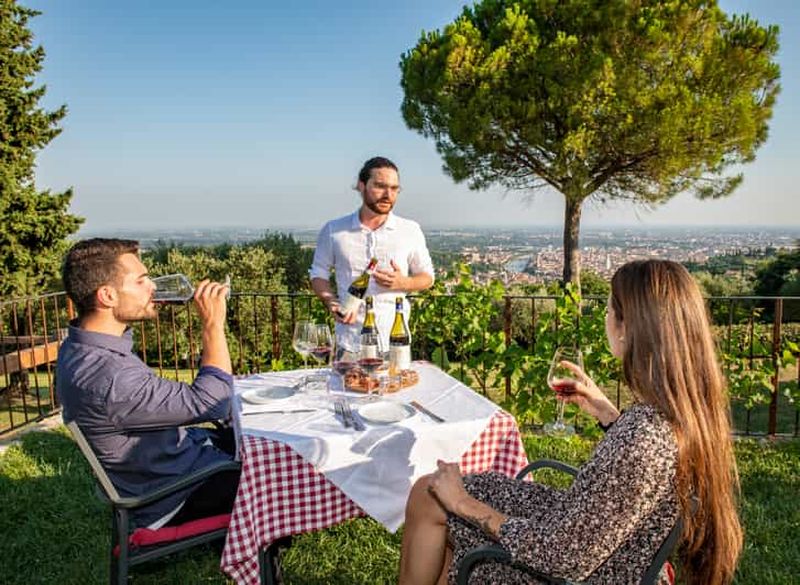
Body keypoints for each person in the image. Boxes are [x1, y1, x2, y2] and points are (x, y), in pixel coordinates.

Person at [398, 260, 743, 585]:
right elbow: (635, 480)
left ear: (628, 329)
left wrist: (463, 503)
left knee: (433, 497)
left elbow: (562, 558)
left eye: (609, 310)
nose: (605, 317)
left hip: (581, 566)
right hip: (593, 531)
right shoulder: (682, 413)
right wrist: (608, 415)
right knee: (433, 492)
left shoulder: (643, 438)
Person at [57, 238, 239, 530]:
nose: (153, 287)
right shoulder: (109, 375)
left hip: (173, 463)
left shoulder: (82, 348)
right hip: (174, 495)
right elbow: (213, 401)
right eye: (141, 281)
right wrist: (212, 324)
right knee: (282, 470)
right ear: (107, 296)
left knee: (259, 438)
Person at [309, 156, 434, 350]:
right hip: (349, 342)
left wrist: (404, 283)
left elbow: (428, 277)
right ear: (361, 185)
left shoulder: (410, 230)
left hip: (394, 341)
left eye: (394, 188)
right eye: (380, 186)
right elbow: (318, 273)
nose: (388, 195)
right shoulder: (334, 230)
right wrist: (331, 302)